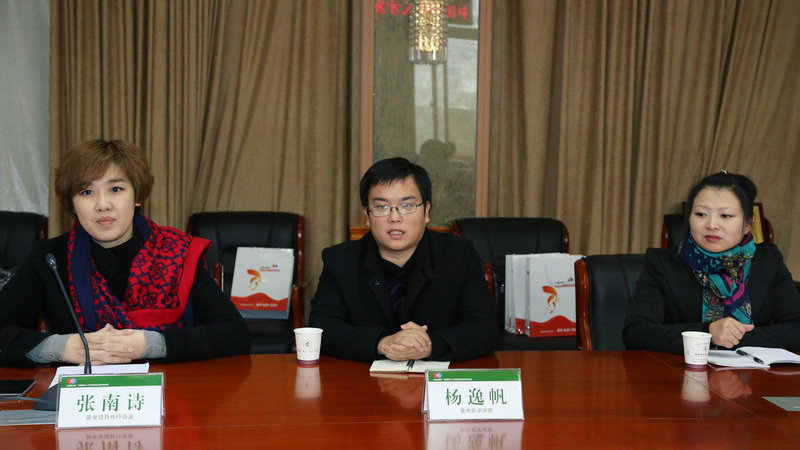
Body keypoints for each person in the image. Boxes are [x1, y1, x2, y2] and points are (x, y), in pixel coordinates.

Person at [0, 139, 250, 367]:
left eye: (116, 189)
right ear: (72, 204)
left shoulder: (178, 253)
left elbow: (234, 334)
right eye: (86, 192)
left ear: (137, 195)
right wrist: (63, 348)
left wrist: (149, 344)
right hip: (85, 394)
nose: (103, 205)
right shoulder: (51, 258)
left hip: (174, 392)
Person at [309, 157, 496, 362]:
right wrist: (382, 343)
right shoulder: (341, 261)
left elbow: (485, 328)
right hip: (362, 377)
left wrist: (429, 345)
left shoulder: (458, 255)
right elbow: (321, 328)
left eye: (407, 205)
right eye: (382, 207)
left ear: (426, 211)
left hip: (437, 377)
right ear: (367, 215)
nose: (395, 218)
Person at [624, 171, 800, 353]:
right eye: (701, 214)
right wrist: (707, 333)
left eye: (726, 215)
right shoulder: (663, 264)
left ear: (748, 224)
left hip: (753, 369)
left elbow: (796, 328)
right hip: (678, 368)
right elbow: (636, 333)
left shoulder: (768, 261)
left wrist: (733, 338)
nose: (711, 225)